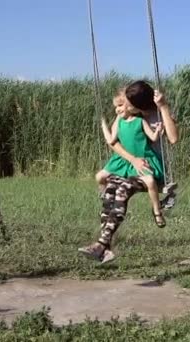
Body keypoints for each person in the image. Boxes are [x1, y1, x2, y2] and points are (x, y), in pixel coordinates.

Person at [79, 80, 179, 263]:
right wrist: (132, 159)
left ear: (139, 105)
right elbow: (114, 142)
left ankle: (101, 245)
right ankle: (104, 247)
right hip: (129, 166)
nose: (125, 106)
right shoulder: (128, 116)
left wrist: (164, 106)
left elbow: (173, 138)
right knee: (110, 192)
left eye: (129, 104)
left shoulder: (156, 115)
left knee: (123, 189)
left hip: (150, 170)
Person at [96, 87, 166, 227]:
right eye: (116, 107)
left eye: (120, 105)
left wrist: (158, 130)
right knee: (100, 176)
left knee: (151, 182)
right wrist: (104, 125)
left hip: (142, 158)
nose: (117, 109)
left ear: (129, 106)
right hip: (123, 161)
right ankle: (106, 200)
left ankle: (157, 211)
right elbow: (111, 140)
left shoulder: (140, 121)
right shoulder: (119, 121)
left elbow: (152, 138)